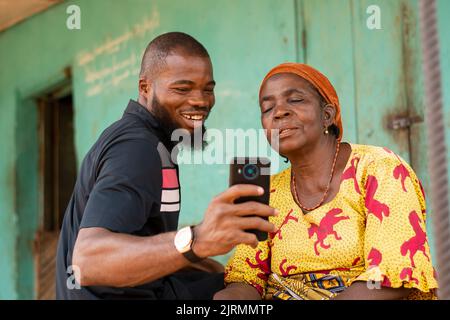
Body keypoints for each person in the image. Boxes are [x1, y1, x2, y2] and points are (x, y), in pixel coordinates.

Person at [55, 32, 277, 299]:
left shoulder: (155, 144)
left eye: (208, 89)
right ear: (145, 87)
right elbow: (88, 261)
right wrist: (198, 238)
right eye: (182, 89)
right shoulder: (137, 148)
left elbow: (149, 249)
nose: (201, 101)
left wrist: (221, 263)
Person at [214, 62, 438, 300]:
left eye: (295, 100)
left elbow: (391, 275)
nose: (279, 112)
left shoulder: (378, 169)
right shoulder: (267, 191)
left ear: (328, 115)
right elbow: (245, 277)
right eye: (268, 108)